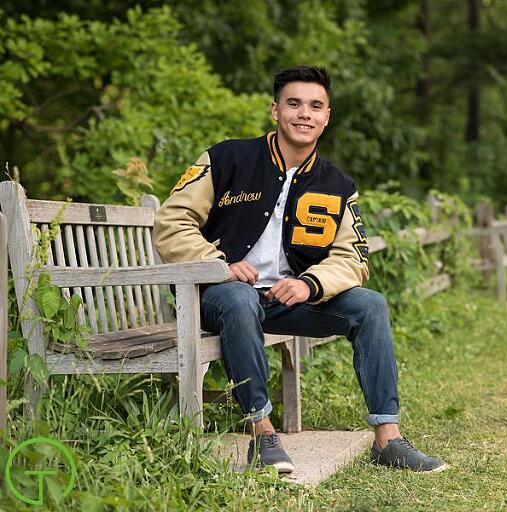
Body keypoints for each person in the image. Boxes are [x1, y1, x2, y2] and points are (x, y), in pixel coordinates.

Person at [154, 65, 446, 474]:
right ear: (275, 110)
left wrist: (311, 284)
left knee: (371, 305)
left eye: (315, 106)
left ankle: (388, 438)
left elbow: (353, 257)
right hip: (218, 295)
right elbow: (172, 222)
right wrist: (218, 265)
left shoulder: (337, 184)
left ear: (327, 116)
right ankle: (262, 432)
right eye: (294, 103)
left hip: (284, 300)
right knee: (239, 298)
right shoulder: (226, 159)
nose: (304, 114)